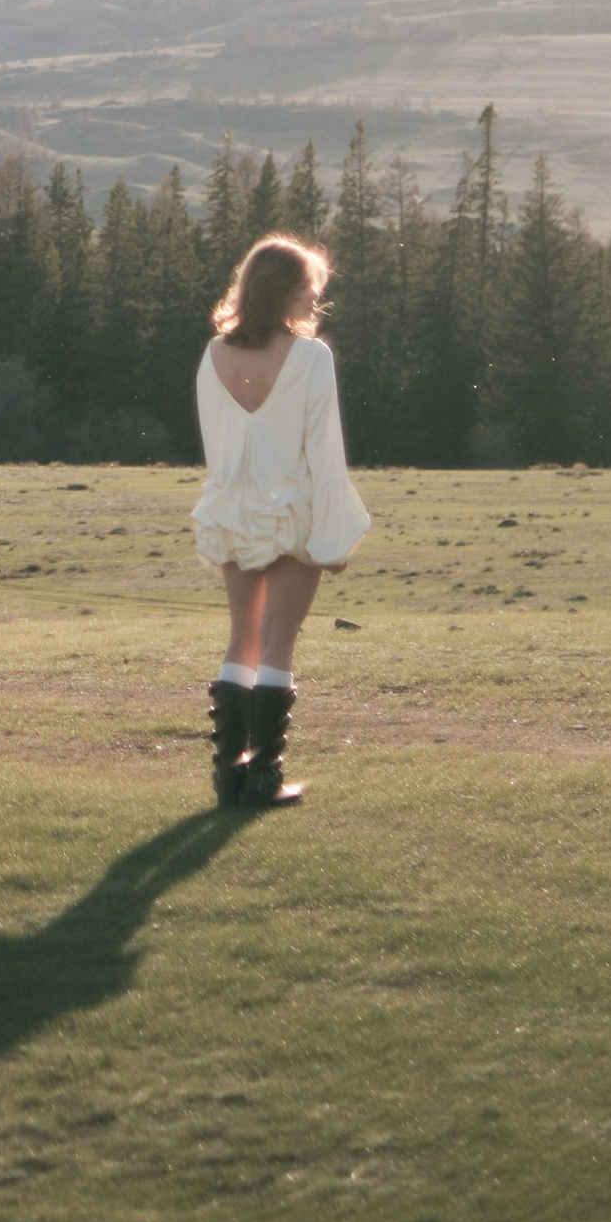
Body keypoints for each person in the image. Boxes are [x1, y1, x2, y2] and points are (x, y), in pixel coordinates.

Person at [191, 231, 370, 809]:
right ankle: (265, 776)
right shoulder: (311, 358)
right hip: (293, 511)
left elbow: (218, 443)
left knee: (241, 638)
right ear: (283, 292)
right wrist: (334, 533)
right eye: (310, 292)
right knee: (278, 645)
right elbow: (325, 453)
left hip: (233, 510)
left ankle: (228, 775)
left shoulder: (215, 353)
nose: (315, 304)